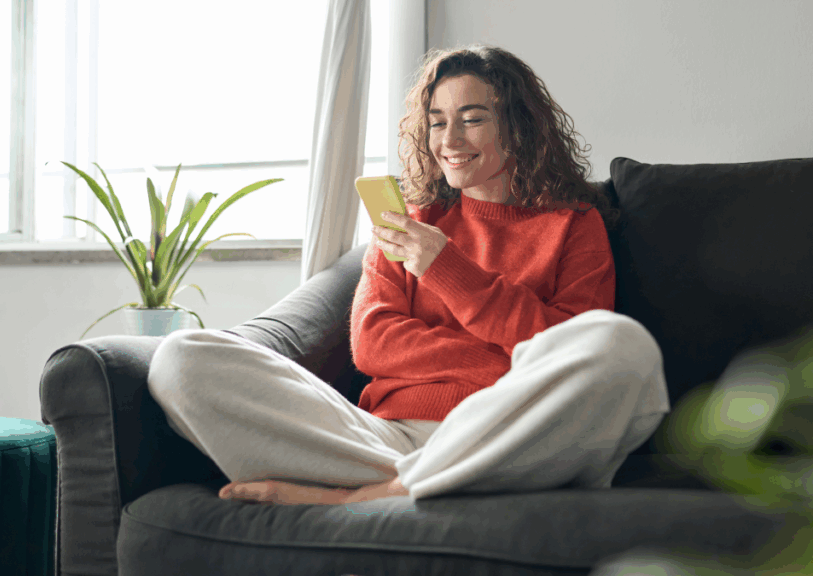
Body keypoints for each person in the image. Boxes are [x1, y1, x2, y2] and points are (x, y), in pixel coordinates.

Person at [147, 45, 670, 506]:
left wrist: (448, 271)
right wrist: (507, 356)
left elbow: (570, 346)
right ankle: (429, 482)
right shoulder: (407, 225)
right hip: (385, 440)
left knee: (622, 345)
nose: (450, 139)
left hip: (512, 425)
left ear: (518, 126)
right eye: (438, 121)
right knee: (181, 358)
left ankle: (375, 496)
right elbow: (374, 344)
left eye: (472, 118)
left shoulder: (575, 225)